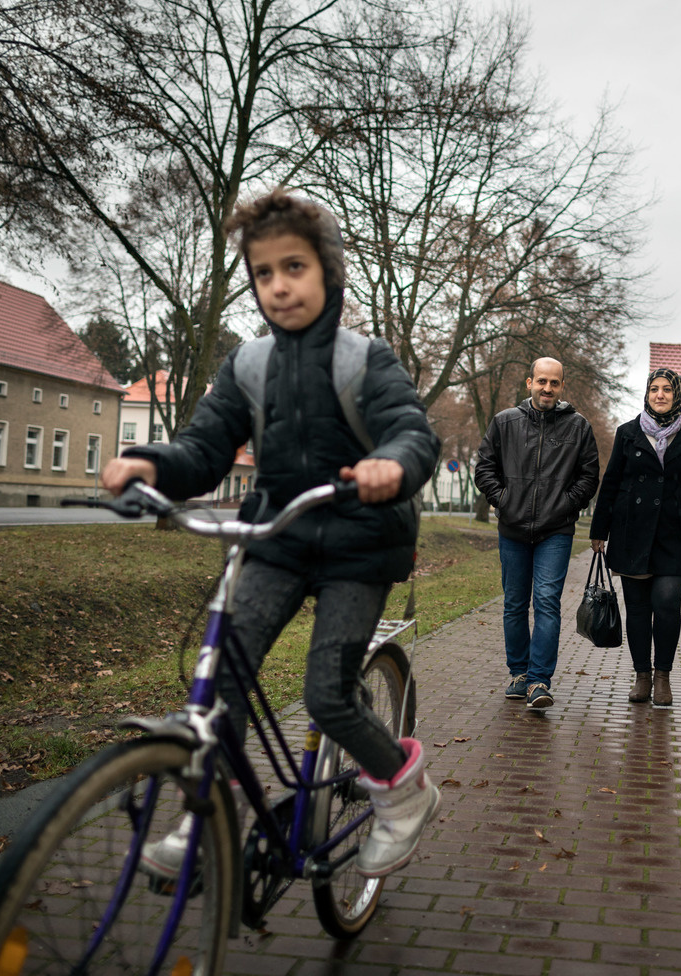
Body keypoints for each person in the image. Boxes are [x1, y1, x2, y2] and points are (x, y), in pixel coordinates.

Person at [100, 189, 442, 879]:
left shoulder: (363, 360)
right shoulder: (247, 366)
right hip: (278, 538)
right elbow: (204, 447)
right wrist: (151, 465)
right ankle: (208, 814)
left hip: (358, 546)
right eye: (264, 274)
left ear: (328, 272)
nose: (279, 287)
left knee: (326, 695)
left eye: (295, 268)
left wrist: (391, 466)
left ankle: (404, 795)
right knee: (219, 675)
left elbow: (414, 432)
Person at [588, 368, 681, 707]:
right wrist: (598, 530)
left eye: (666, 390)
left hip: (673, 535)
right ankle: (642, 676)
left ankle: (662, 676)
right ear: (646, 395)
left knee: (666, 605)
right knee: (637, 609)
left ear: (676, 395)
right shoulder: (627, 433)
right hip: (632, 531)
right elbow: (611, 484)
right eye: (654, 390)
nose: (660, 395)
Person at [474, 357, 600, 710]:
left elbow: (589, 476)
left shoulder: (578, 427)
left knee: (546, 602)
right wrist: (503, 500)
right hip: (512, 529)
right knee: (515, 604)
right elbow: (484, 467)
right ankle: (518, 674)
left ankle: (539, 681)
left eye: (554, 383)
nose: (547, 388)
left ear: (562, 386)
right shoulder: (505, 422)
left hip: (555, 532)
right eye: (541, 381)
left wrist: (565, 505)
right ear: (529, 382)